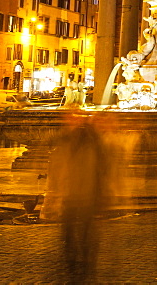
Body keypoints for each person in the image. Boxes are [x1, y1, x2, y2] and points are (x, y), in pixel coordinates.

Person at [46, 112, 109, 282]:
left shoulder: (89, 140)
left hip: (85, 193)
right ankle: (74, 261)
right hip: (72, 193)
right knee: (71, 231)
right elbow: (60, 165)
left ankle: (84, 263)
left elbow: (100, 168)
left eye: (74, 117)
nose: (72, 120)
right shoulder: (67, 139)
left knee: (84, 231)